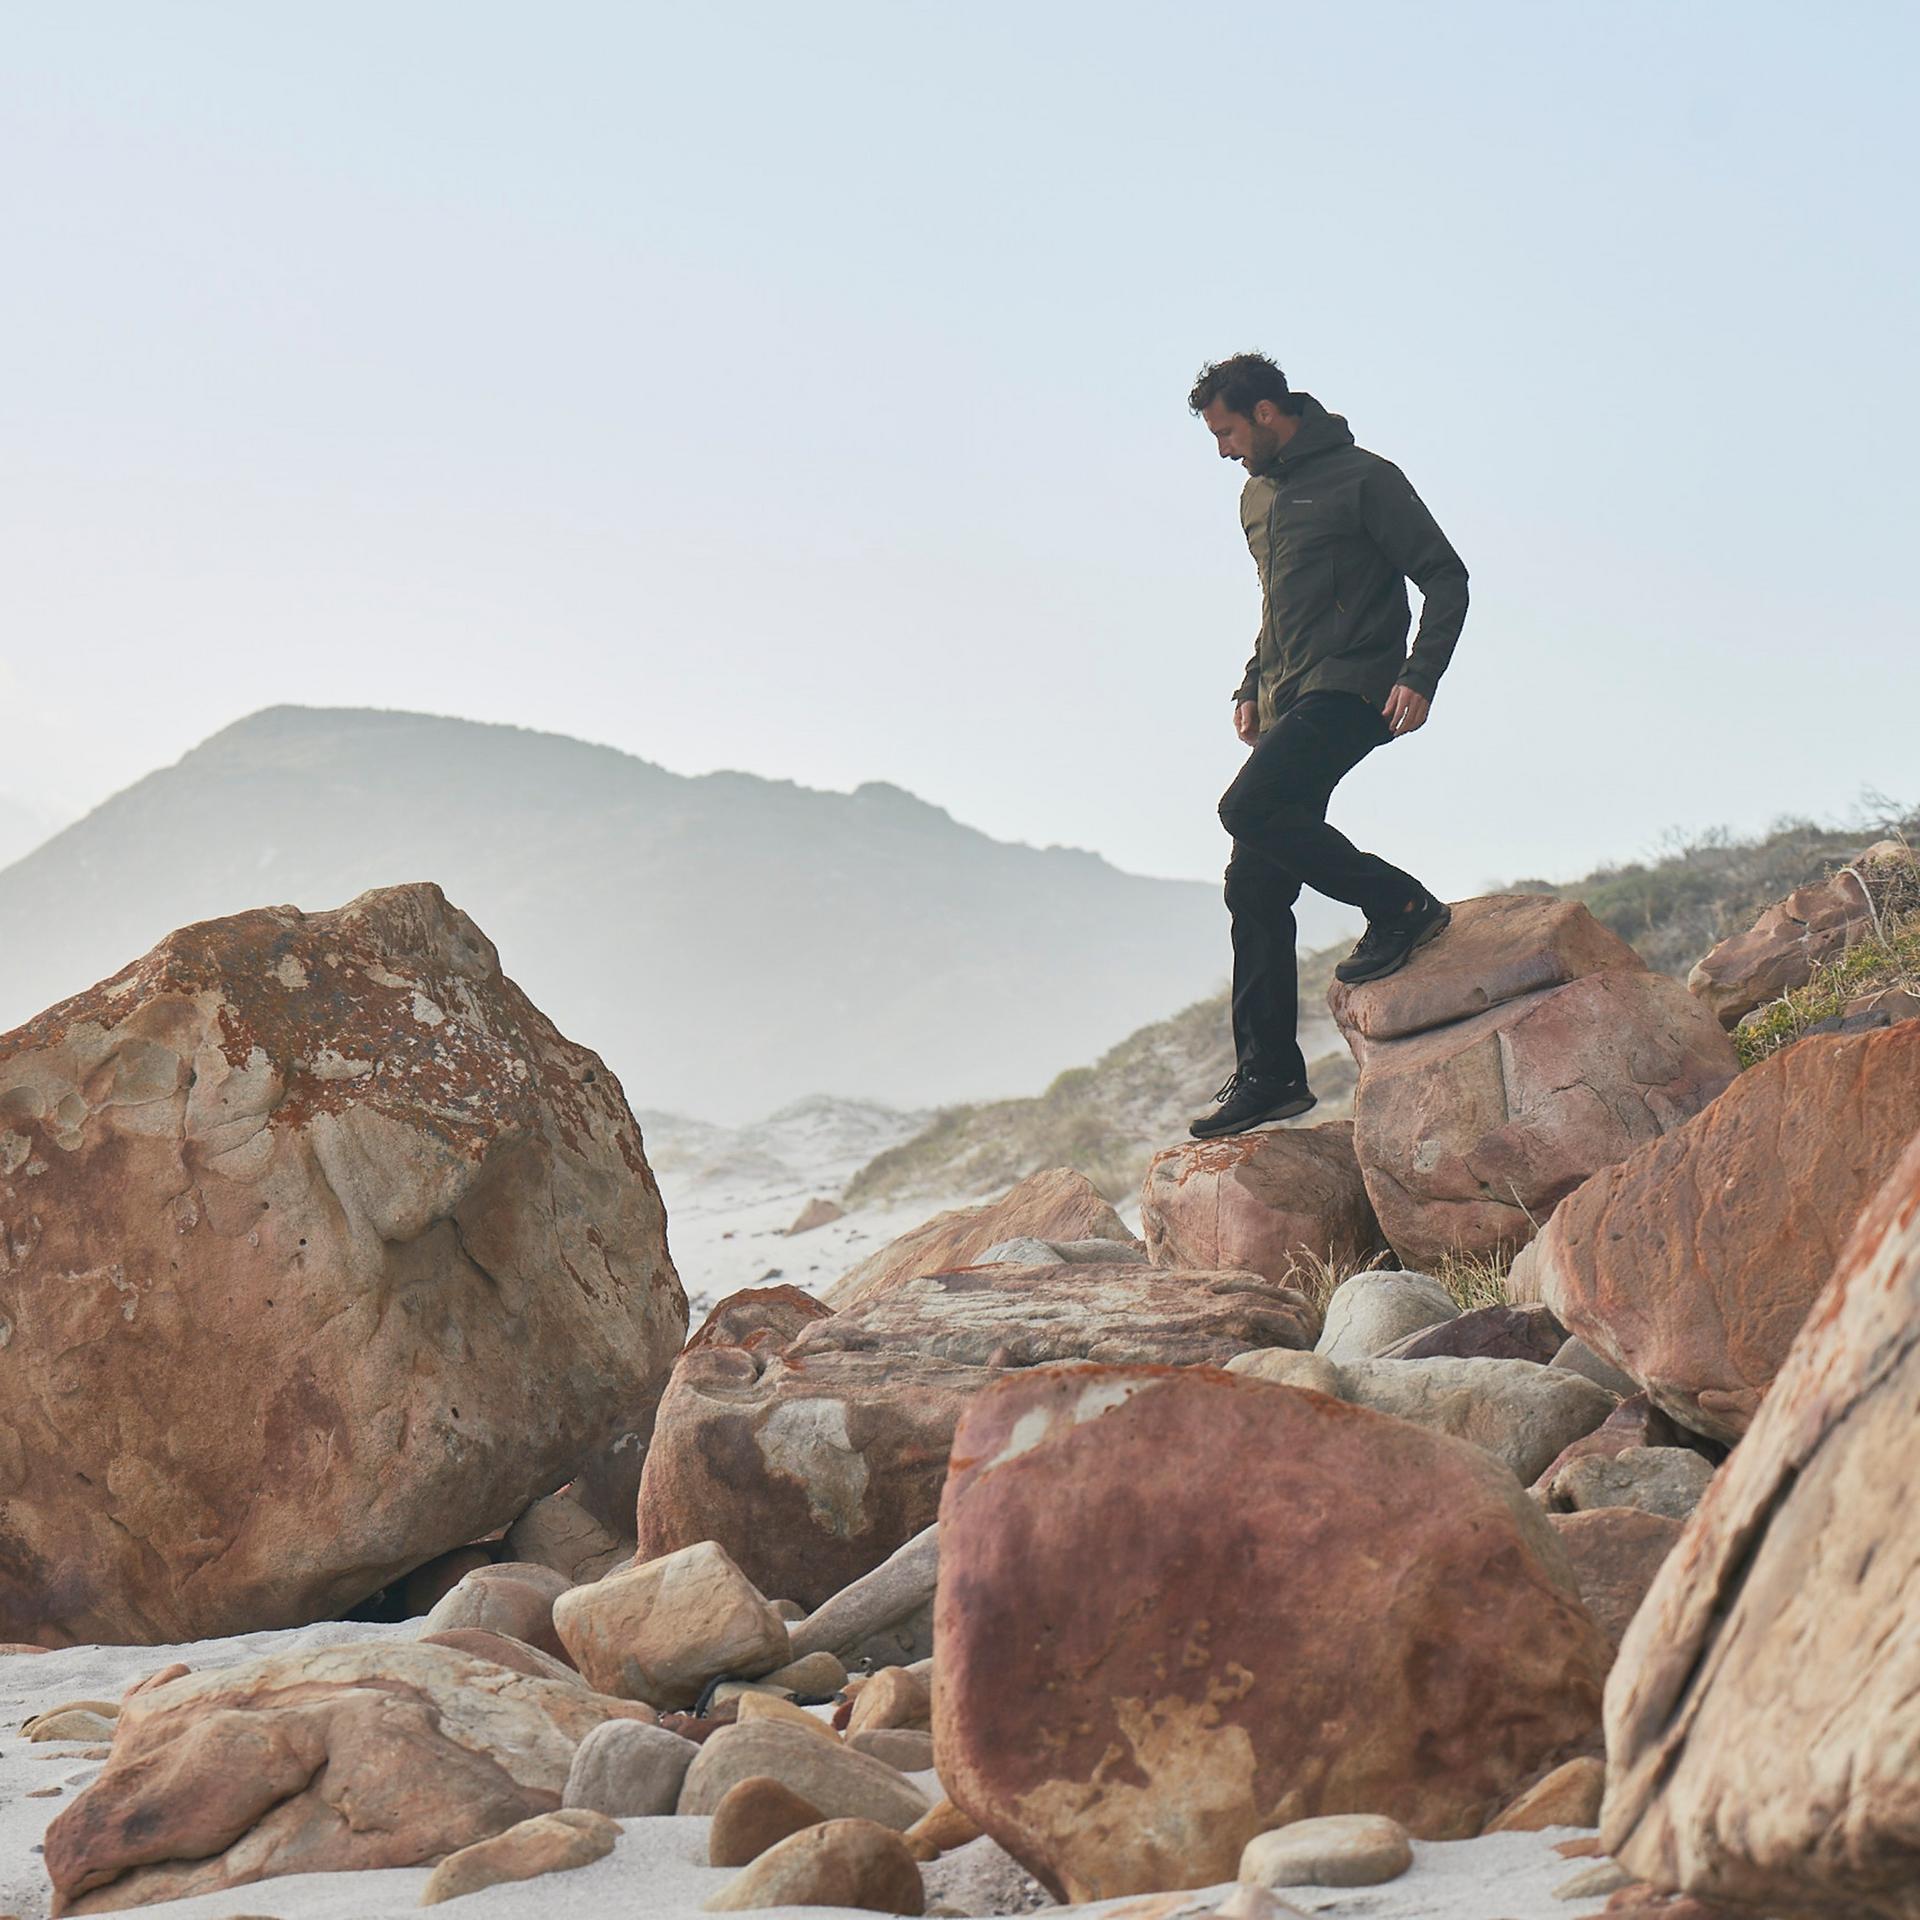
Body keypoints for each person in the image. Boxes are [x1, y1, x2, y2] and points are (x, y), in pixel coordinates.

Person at [1187, 352, 1468, 1141]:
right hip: (1289, 697)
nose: (1223, 450)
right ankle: (1270, 1076)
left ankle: (1401, 903)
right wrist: (1251, 684)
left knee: (1246, 808)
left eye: (1227, 432)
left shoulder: (1364, 478)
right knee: (1253, 885)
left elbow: (1445, 576)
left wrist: (1420, 674)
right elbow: (1279, 608)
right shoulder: (1257, 497)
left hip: (1357, 686)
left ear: (1266, 412)